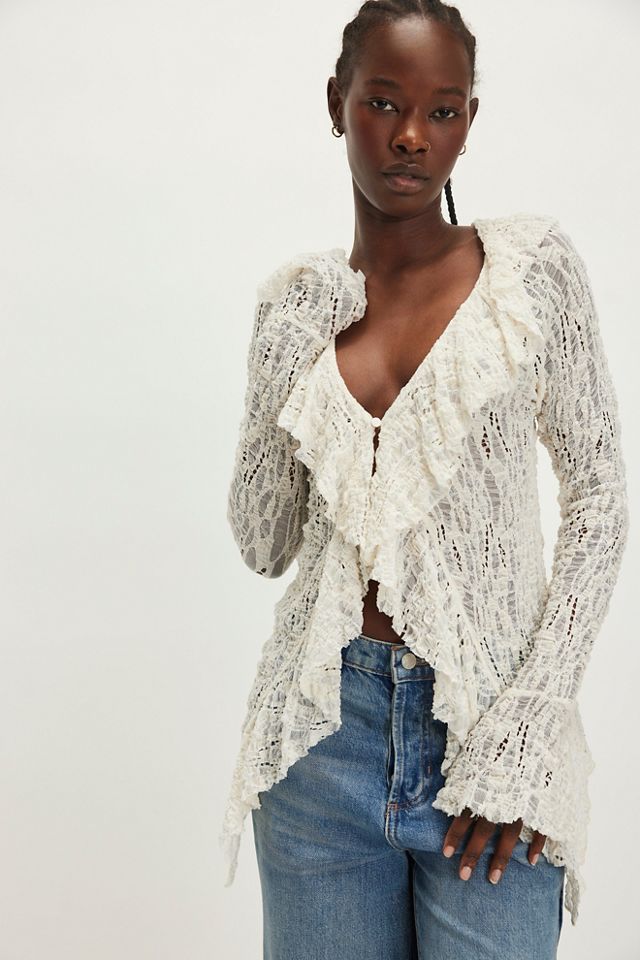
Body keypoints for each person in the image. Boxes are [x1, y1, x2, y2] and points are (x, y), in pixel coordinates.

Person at [220, 2, 630, 957]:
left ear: (469, 122)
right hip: (322, 741)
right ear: (337, 103)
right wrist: (283, 358)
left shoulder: (530, 272)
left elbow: (601, 499)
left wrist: (527, 730)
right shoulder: (300, 305)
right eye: (384, 102)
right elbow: (262, 543)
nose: (412, 135)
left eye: (443, 110)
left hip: (490, 732)